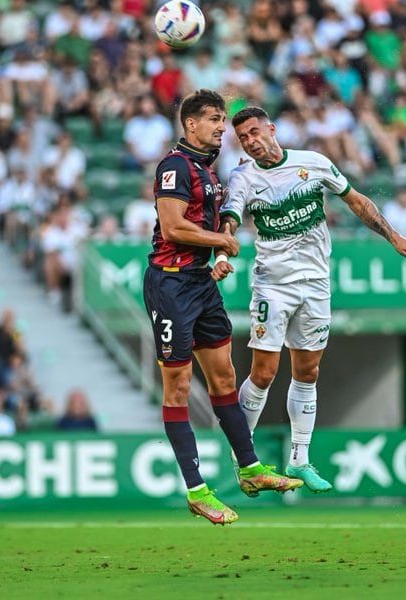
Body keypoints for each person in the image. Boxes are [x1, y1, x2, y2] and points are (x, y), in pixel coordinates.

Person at [219, 106, 406, 492]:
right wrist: (222, 252)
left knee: (308, 371)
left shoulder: (313, 163)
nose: (251, 142)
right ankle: (243, 458)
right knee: (264, 372)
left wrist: (394, 236)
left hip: (317, 283)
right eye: (243, 138)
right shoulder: (243, 177)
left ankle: (300, 459)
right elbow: (230, 218)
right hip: (273, 284)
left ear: (272, 129)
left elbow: (356, 200)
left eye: (254, 132)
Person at [142, 90, 302, 525]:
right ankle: (196, 491)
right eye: (213, 119)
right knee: (177, 386)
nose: (220, 126)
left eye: (222, 119)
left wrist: (215, 259)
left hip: (198, 282)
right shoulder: (175, 166)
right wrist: (222, 241)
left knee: (225, 375)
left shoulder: (206, 171)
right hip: (170, 286)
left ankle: (249, 470)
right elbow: (173, 227)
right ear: (190, 124)